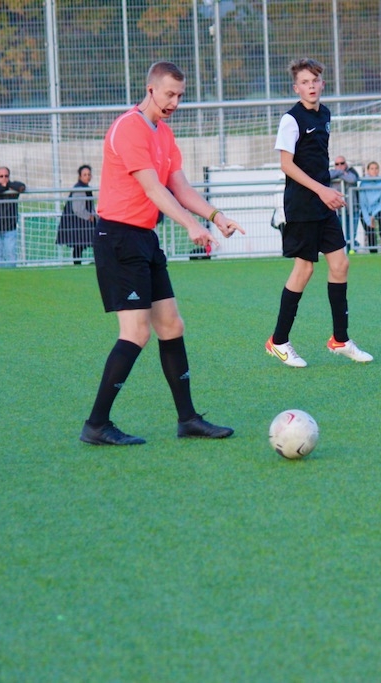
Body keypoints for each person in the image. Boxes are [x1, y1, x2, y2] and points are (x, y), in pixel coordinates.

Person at [80, 61, 243, 446]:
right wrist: (190, 225)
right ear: (150, 89)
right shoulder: (129, 128)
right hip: (118, 238)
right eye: (169, 94)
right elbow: (153, 189)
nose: (175, 102)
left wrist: (215, 216)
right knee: (136, 332)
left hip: (145, 239)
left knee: (171, 325)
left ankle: (188, 420)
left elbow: (179, 187)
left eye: (180, 96)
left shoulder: (164, 134)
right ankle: (96, 425)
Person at [265, 58, 373, 369]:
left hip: (323, 204)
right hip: (302, 205)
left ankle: (340, 339)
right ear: (296, 88)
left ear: (322, 84)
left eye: (315, 81)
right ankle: (278, 341)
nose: (311, 86)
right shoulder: (291, 120)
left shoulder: (325, 114)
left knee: (340, 264)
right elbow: (286, 165)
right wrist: (322, 190)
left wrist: (327, 191)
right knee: (304, 270)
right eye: (305, 82)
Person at [56, 164, 97, 265]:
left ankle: (81, 264)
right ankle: (80, 264)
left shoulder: (85, 188)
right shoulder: (79, 189)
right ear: (80, 176)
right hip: (77, 222)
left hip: (79, 221)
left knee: (80, 245)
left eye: (89, 174)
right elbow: (78, 209)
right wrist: (90, 216)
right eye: (85, 175)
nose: (87, 177)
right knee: (81, 244)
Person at [0, 167, 26, 267]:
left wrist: (7, 185)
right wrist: (5, 188)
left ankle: (11, 274)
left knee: (10, 252)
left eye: (6, 176)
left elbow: (22, 187)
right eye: (1, 176)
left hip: (10, 226)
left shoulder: (13, 186)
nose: (4, 178)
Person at [358, 161, 381, 253]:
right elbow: (363, 204)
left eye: (376, 168)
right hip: (367, 210)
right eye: (372, 169)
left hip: (380, 209)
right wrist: (368, 220)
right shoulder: (363, 184)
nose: (374, 170)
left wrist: (373, 215)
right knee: (369, 228)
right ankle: (373, 250)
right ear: (368, 171)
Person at [330, 156, 360, 249]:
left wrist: (339, 174)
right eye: (337, 164)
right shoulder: (332, 172)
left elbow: (352, 179)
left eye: (342, 163)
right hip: (337, 211)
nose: (339, 165)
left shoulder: (352, 171)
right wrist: (341, 172)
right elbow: (328, 176)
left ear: (346, 164)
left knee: (352, 234)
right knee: (340, 235)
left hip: (352, 209)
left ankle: (352, 250)